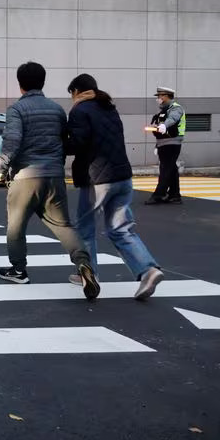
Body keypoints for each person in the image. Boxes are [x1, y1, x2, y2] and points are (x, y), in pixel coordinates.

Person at [0, 62, 99, 300]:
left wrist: (1, 167)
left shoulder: (16, 110)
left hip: (26, 177)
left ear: (20, 84)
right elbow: (64, 141)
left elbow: (12, 141)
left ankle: (18, 270)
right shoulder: (56, 110)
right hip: (53, 175)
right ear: (43, 82)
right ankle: (84, 264)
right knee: (64, 226)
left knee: (16, 227)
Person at [65, 74, 165, 300]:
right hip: (122, 176)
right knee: (121, 229)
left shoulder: (80, 111)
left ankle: (90, 274)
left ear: (77, 91)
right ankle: (148, 270)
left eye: (71, 94)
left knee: (85, 229)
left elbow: (77, 144)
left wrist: (60, 141)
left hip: (97, 180)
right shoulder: (109, 108)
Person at [146, 87, 185, 205]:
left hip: (172, 143)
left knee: (165, 169)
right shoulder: (163, 110)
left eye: (159, 96)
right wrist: (157, 146)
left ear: (166, 96)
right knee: (171, 169)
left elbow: (173, 118)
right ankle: (174, 195)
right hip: (164, 144)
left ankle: (159, 194)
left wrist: (165, 125)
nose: (158, 99)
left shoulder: (176, 108)